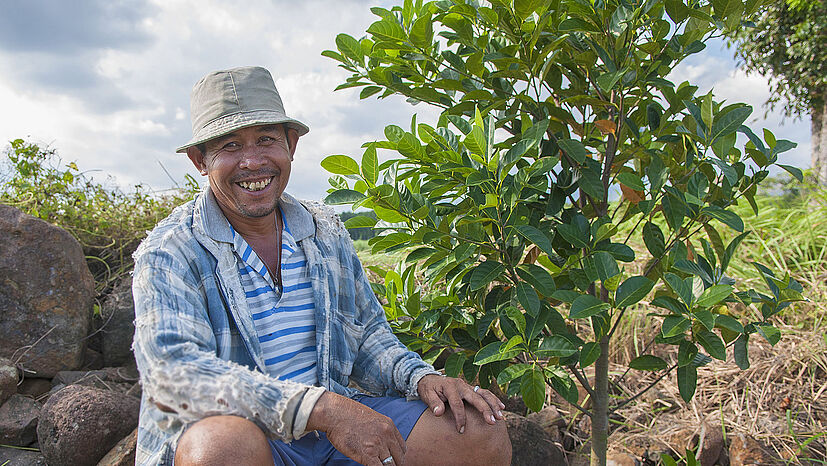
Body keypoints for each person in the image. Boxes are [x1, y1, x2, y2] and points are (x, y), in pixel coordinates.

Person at [131, 66, 512, 466]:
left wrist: (421, 378)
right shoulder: (171, 250)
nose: (252, 161)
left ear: (291, 144)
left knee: (478, 428)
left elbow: (368, 335)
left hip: (331, 431)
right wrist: (321, 409)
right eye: (229, 146)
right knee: (220, 449)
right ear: (199, 160)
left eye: (266, 139)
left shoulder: (324, 230)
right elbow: (175, 375)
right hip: (254, 437)